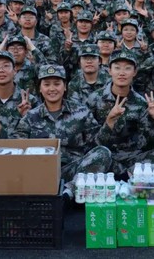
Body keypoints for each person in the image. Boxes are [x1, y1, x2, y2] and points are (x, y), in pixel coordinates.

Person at [13, 64, 111, 197]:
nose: (52, 89)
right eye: (46, 84)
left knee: (103, 153)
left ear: (65, 87)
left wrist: (109, 123)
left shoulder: (81, 112)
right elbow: (17, 149)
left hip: (73, 171)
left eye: (57, 84)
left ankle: (68, 192)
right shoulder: (30, 117)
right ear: (40, 88)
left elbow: (95, 143)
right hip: (41, 172)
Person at [87, 50, 154, 178]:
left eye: (127, 68)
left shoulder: (141, 102)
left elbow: (148, 144)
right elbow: (91, 143)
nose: (122, 73)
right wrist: (109, 122)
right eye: (117, 68)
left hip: (132, 157)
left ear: (135, 72)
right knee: (97, 155)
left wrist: (153, 119)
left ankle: (125, 176)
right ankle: (126, 176)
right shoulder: (95, 99)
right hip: (105, 155)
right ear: (109, 71)